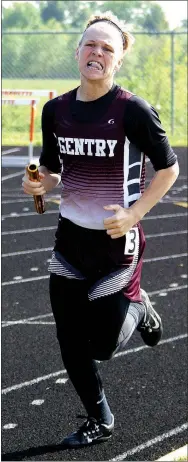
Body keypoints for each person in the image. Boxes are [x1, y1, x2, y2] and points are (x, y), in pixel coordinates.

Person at [22, 12, 179, 448]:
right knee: (69, 341)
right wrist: (40, 183)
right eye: (90, 44)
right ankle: (100, 419)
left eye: (107, 48)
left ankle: (141, 306)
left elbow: (169, 169)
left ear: (118, 61)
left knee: (102, 347)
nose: (97, 53)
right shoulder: (56, 110)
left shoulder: (133, 111)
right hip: (70, 243)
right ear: (77, 51)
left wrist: (134, 215)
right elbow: (54, 172)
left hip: (117, 245)